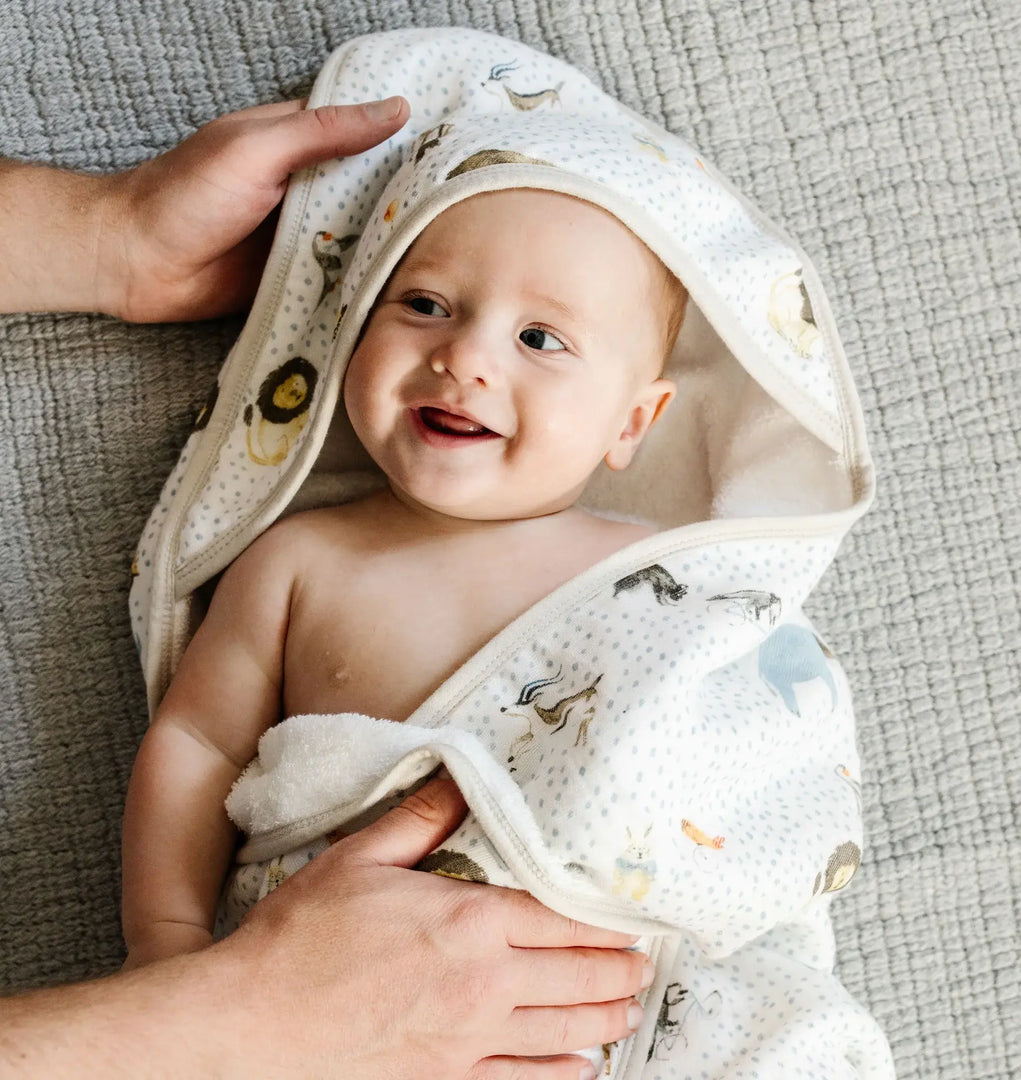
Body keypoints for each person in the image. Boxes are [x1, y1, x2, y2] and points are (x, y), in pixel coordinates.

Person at [0, 97, 653, 1080]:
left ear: (632, 425)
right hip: (341, 1009)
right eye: (424, 304)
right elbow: (196, 743)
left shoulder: (664, 574)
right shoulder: (301, 561)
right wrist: (168, 952)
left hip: (594, 991)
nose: (465, 358)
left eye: (541, 340)